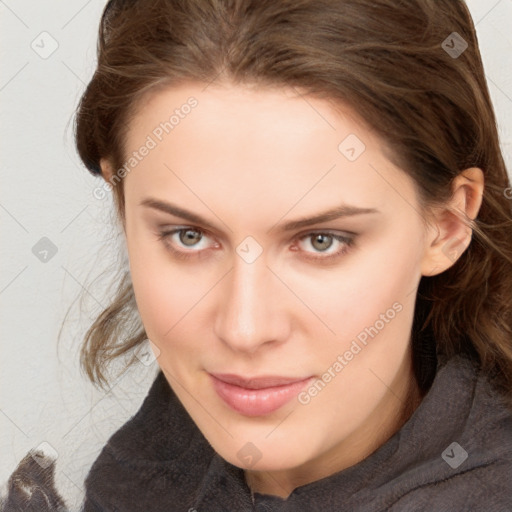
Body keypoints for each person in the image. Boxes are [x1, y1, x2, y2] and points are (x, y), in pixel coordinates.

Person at [3, 0, 511, 511]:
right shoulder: (132, 477)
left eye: (321, 241)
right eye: (188, 236)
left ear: (446, 226)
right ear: (122, 202)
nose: (244, 329)